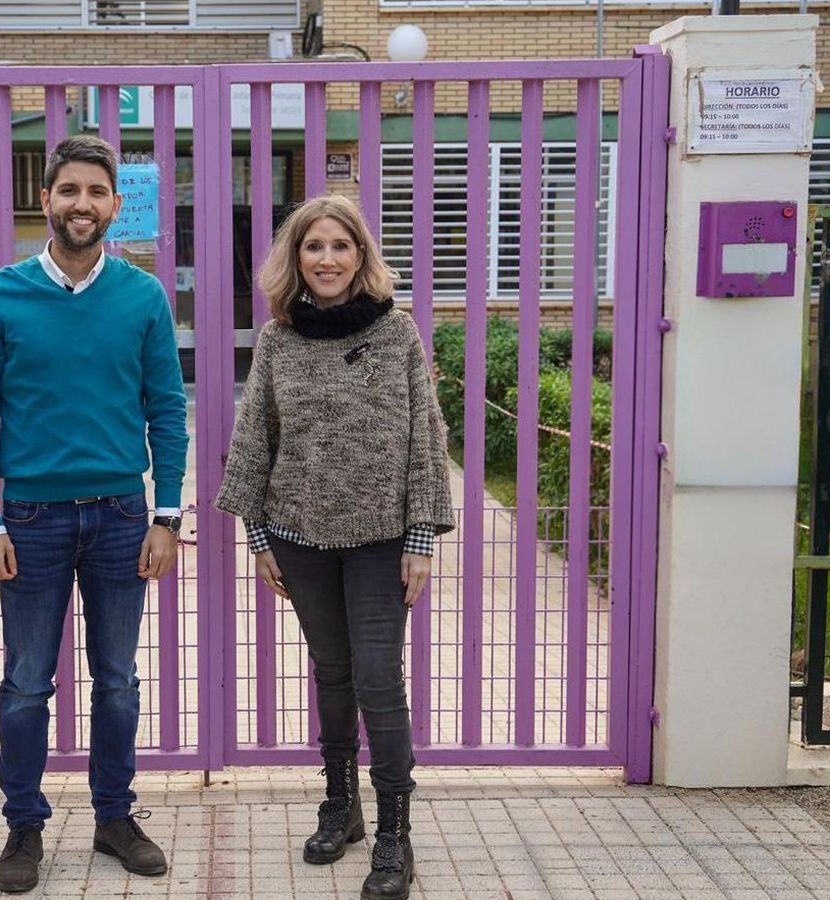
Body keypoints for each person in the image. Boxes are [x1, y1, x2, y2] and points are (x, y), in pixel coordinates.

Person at [0, 133, 188, 894]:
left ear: (115, 206)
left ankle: (114, 818)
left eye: (95, 192)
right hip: (30, 521)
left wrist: (166, 516)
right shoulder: (0, 296)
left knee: (117, 679)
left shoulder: (142, 297)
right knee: (27, 683)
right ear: (46, 200)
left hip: (122, 516)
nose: (81, 204)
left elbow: (167, 410)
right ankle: (24, 825)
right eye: (68, 190)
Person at [214, 194, 454, 900]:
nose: (326, 258)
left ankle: (394, 835)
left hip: (383, 540)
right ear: (296, 258)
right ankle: (341, 806)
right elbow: (255, 435)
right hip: (300, 538)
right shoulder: (278, 339)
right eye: (313, 246)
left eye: (339, 246)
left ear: (360, 255)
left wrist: (420, 538)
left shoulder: (397, 332)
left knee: (378, 679)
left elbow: (425, 434)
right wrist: (259, 536)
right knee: (333, 673)